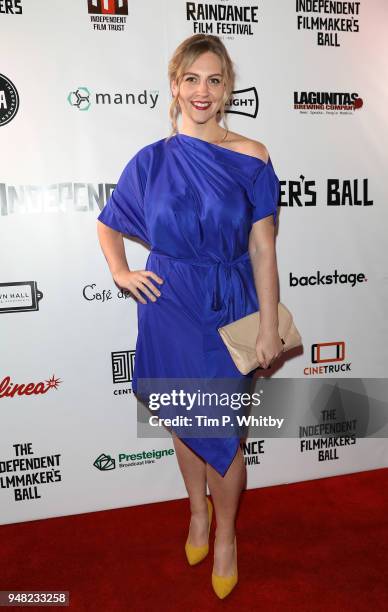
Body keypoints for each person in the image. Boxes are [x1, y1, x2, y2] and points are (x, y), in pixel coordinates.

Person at [96, 33, 283, 599]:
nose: (202, 91)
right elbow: (109, 222)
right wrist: (121, 271)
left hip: (230, 301)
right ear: (175, 87)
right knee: (184, 422)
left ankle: (225, 534)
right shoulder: (151, 161)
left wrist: (269, 324)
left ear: (227, 89)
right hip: (169, 303)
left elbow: (262, 249)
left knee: (223, 432)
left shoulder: (253, 156)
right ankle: (196, 515)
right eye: (192, 79)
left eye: (214, 79)